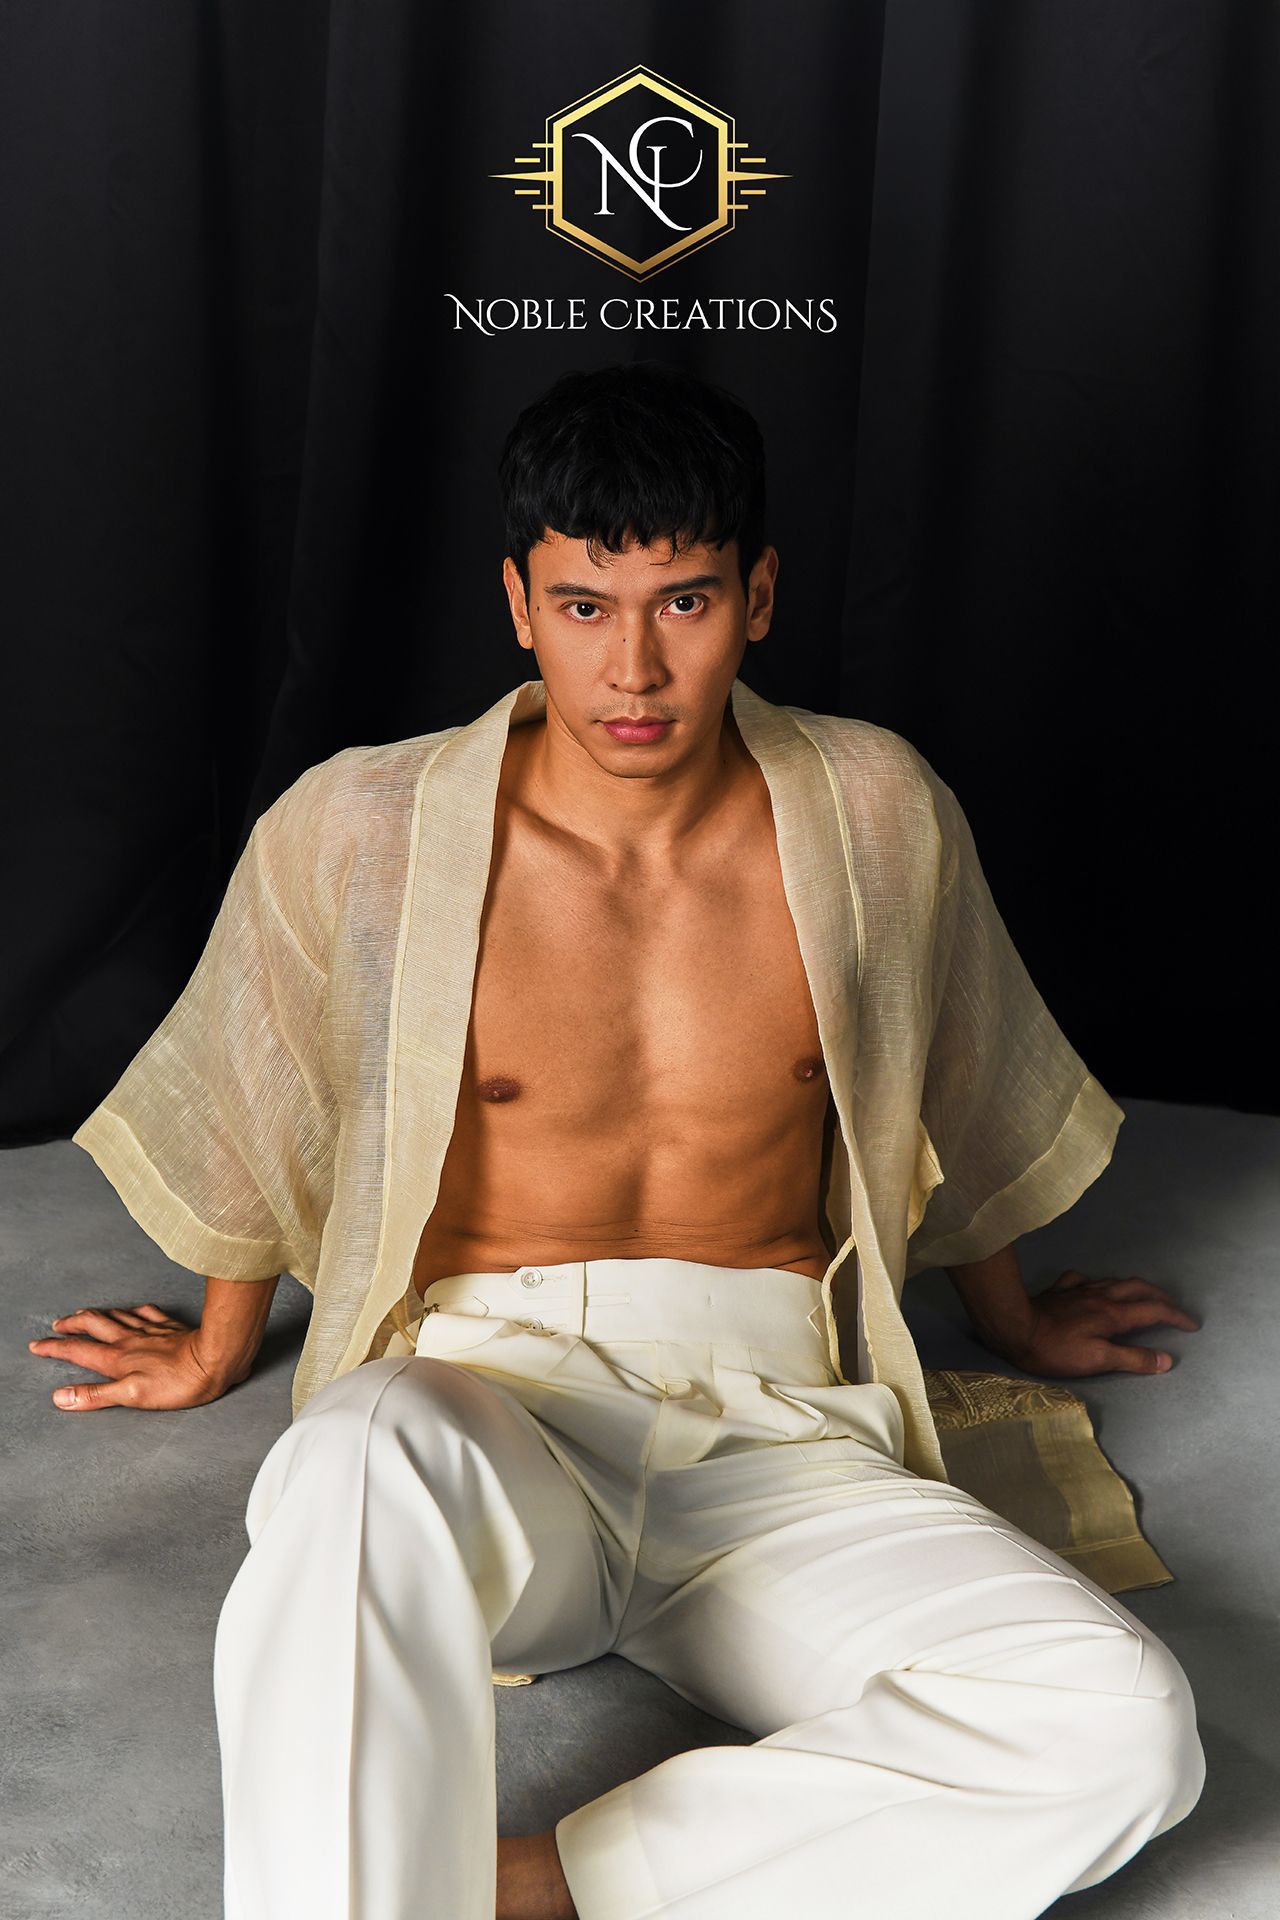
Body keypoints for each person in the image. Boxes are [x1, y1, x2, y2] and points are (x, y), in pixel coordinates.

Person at [34, 362, 1205, 1919]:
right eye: (587, 606)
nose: (635, 667)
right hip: (485, 1394)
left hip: (784, 1427)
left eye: (686, 602)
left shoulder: (873, 809)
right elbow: (263, 1094)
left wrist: (1010, 1315)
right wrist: (214, 1344)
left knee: (1124, 1728)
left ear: (760, 595)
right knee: (354, 1455)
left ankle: (526, 1885)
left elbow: (948, 1073)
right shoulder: (361, 825)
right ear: (519, 601)